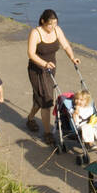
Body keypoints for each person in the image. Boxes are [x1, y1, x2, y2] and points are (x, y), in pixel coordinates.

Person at [26, 9, 80, 145]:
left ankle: (30, 118)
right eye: (50, 24)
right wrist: (44, 64)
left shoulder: (57, 30)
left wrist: (73, 58)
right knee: (47, 99)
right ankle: (48, 133)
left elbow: (66, 45)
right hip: (37, 69)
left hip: (51, 68)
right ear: (43, 21)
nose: (53, 27)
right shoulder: (36, 33)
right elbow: (31, 54)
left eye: (55, 24)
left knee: (42, 98)